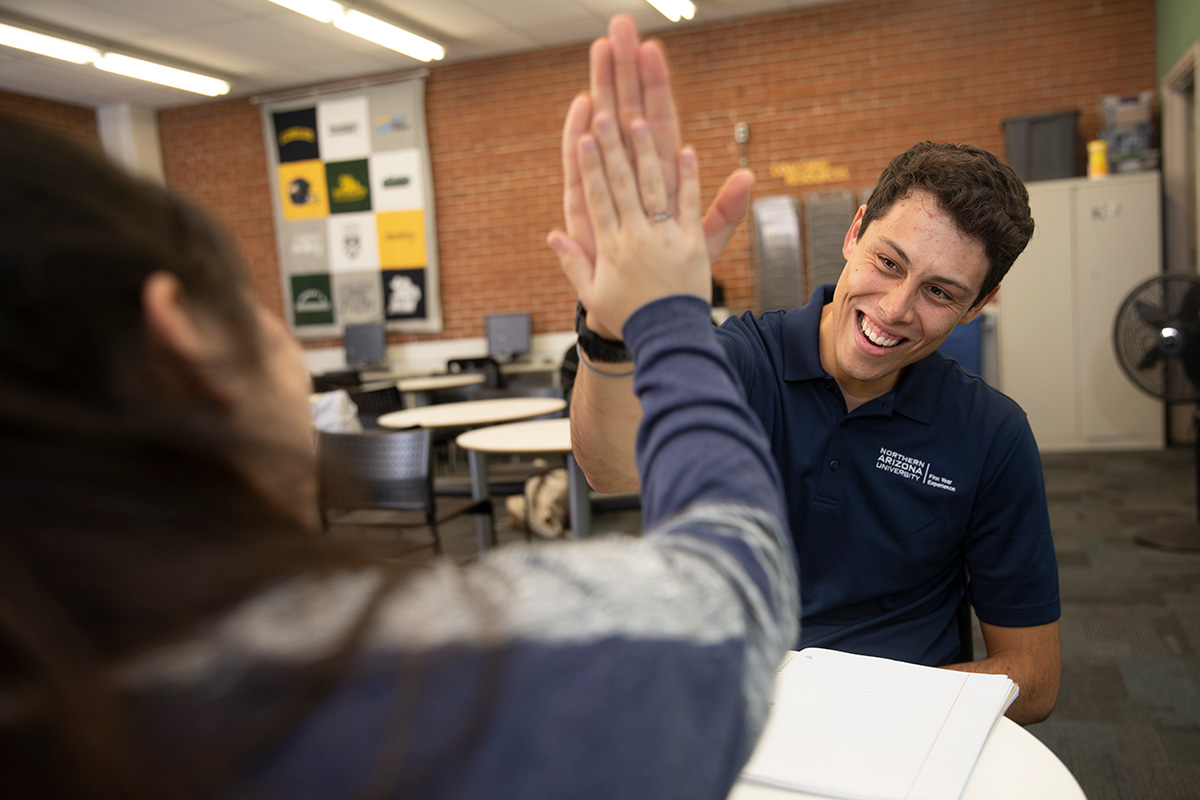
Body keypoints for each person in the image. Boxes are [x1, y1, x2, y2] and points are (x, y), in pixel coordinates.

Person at [0, 111, 797, 798]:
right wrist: (667, 315)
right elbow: (730, 594)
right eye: (253, 302)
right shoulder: (398, 687)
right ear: (191, 344)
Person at [561, 15, 1060, 725]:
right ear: (855, 231)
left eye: (940, 292)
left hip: (901, 728)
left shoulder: (993, 434)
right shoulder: (744, 362)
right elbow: (611, 472)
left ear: (977, 306)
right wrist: (613, 332)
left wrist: (862, 711)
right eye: (888, 261)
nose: (894, 309)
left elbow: (1034, 677)